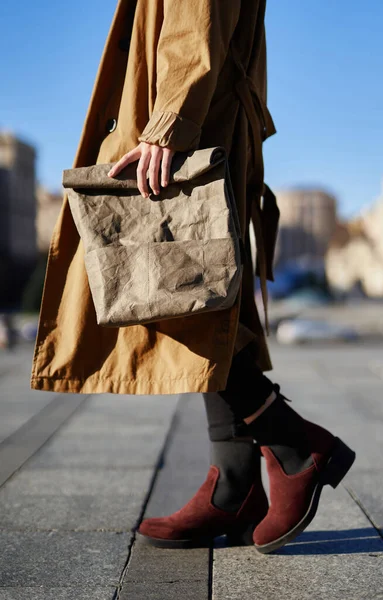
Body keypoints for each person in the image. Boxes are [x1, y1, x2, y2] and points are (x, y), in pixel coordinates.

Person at [31, 0, 355, 553]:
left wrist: (170, 122)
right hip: (195, 113)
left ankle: (293, 443)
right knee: (199, 297)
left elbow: (196, 11)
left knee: (167, 291)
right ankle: (233, 485)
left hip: (188, 121)